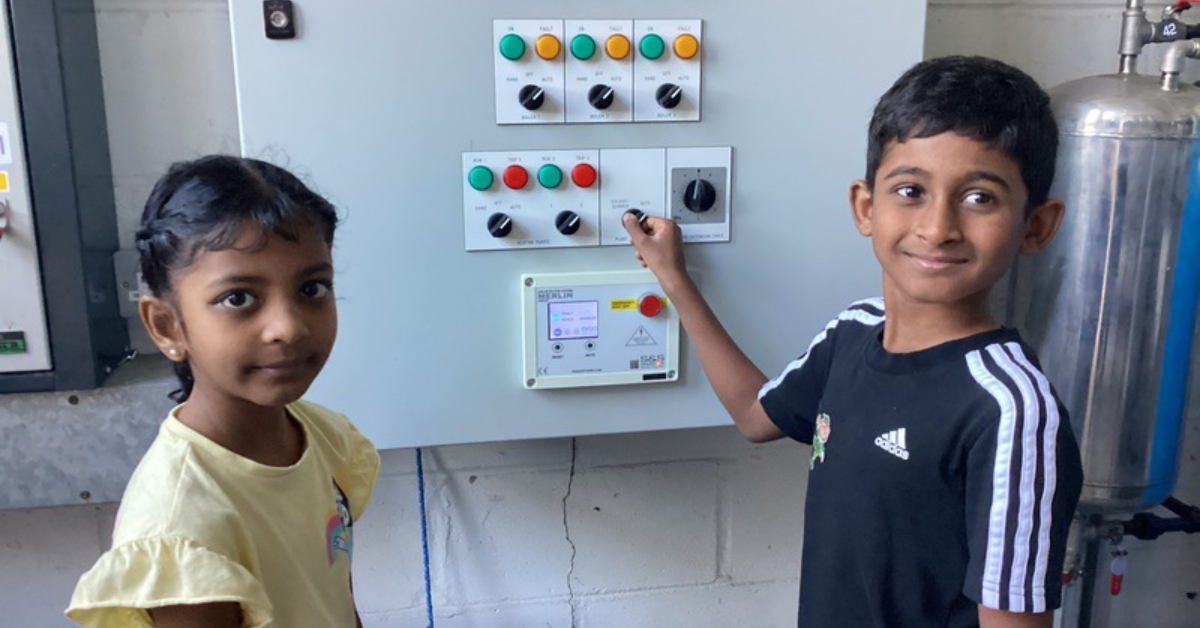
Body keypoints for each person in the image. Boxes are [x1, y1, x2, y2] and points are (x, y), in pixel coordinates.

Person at [622, 56, 1083, 628]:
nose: (937, 227)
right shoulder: (853, 331)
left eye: (979, 198)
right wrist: (674, 278)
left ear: (1036, 226)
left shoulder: (1012, 412)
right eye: (911, 190)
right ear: (867, 207)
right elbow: (753, 415)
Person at [66, 155, 379, 628]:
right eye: (239, 298)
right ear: (168, 326)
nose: (288, 327)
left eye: (312, 288)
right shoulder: (181, 524)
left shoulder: (325, 436)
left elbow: (337, 599)